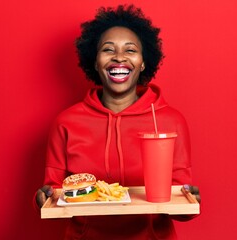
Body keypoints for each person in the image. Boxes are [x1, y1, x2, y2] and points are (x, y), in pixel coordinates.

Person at [35, 4, 200, 239]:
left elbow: (179, 198)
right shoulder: (66, 122)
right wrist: (42, 197)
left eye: (130, 50)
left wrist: (188, 200)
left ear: (143, 62)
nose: (119, 57)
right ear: (95, 61)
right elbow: (54, 191)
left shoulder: (170, 121)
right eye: (108, 49)